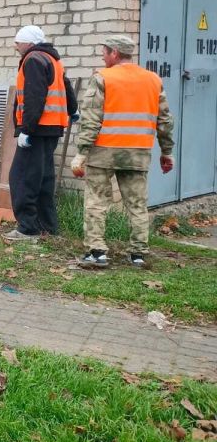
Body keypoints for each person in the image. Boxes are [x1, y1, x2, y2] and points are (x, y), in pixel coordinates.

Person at [71, 35, 175, 269]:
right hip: (137, 153)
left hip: (104, 152)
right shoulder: (153, 80)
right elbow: (165, 120)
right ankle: (138, 254)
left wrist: (81, 152)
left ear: (115, 53)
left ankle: (97, 253)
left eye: (104, 51)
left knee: (97, 201)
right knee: (137, 204)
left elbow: (91, 119)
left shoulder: (103, 78)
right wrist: (166, 151)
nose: (102, 55)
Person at [4, 25, 78, 242]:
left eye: (18, 42)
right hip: (52, 128)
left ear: (28, 43)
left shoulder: (33, 59)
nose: (15, 46)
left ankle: (28, 228)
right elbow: (66, 87)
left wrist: (27, 129)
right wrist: (73, 109)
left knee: (22, 178)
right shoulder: (53, 59)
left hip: (37, 129)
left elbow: (34, 95)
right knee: (44, 178)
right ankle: (48, 226)